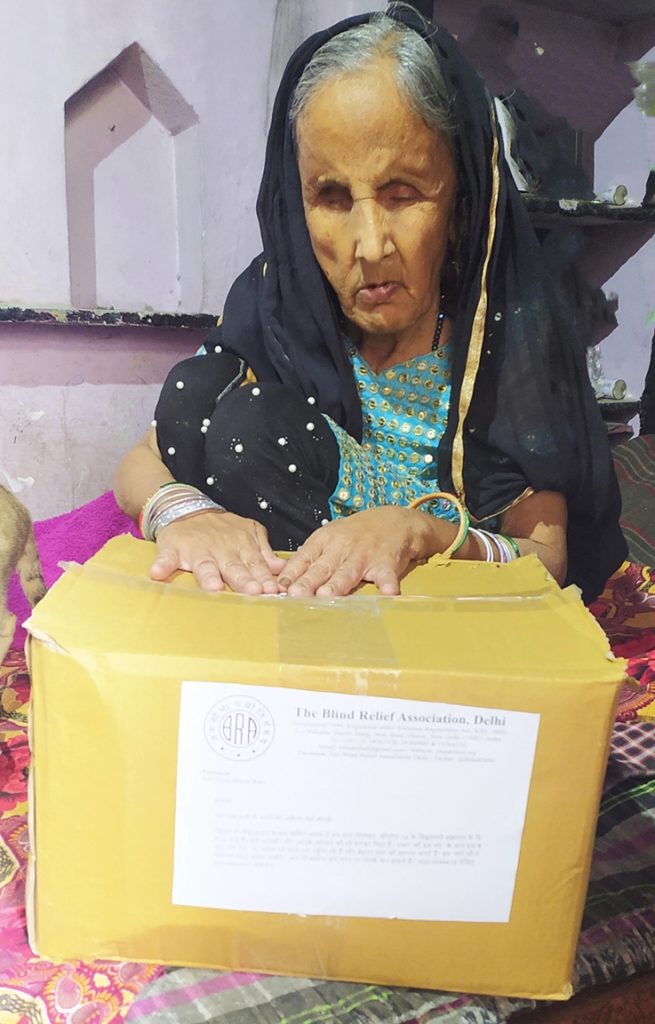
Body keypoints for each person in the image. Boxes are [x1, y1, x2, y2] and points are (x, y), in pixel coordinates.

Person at [114, 3, 627, 603]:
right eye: (331, 197)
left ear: (459, 200)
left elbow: (545, 560)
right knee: (241, 424)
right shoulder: (278, 303)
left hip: (441, 621)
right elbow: (143, 462)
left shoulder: (507, 333)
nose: (370, 245)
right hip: (294, 605)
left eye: (402, 194)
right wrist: (188, 516)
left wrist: (422, 532)